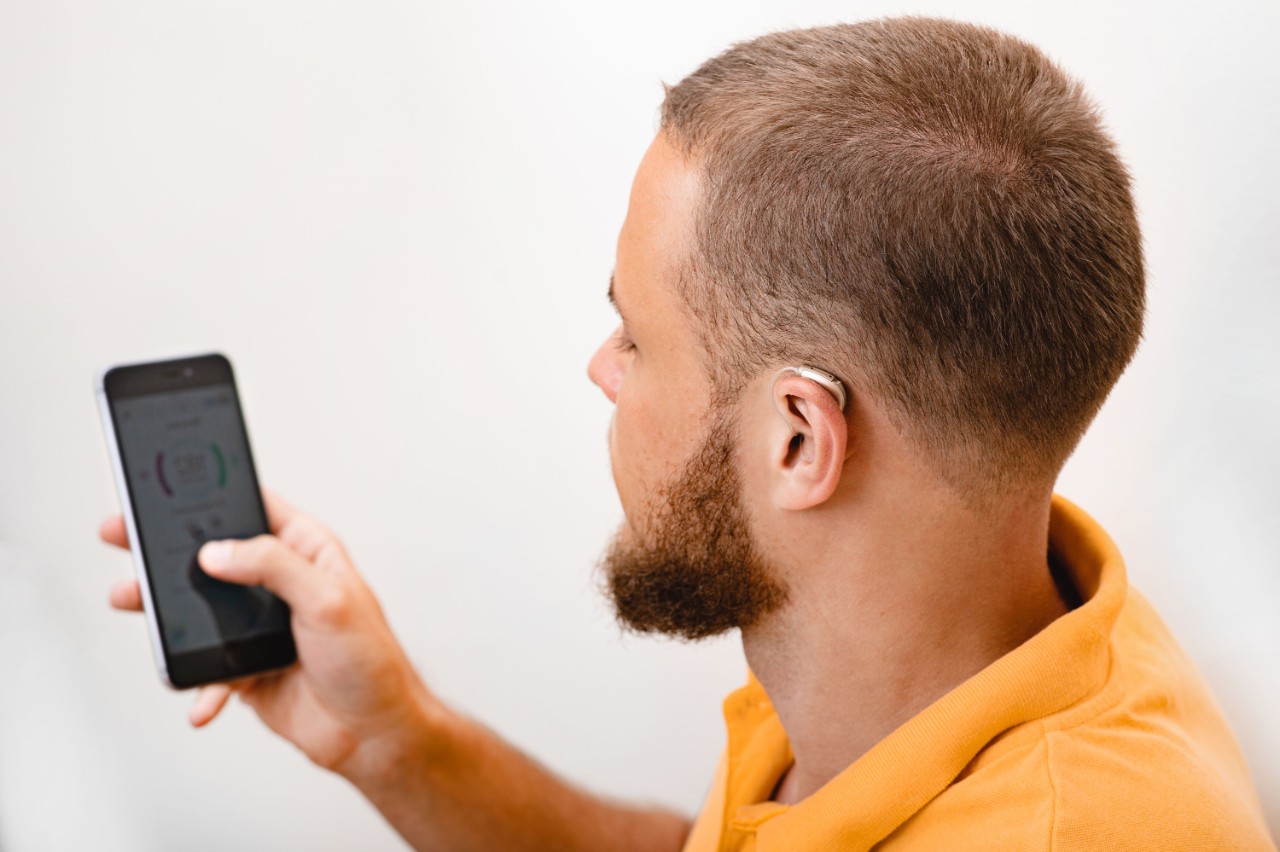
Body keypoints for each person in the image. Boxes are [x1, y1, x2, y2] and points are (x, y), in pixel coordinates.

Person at [98, 17, 1275, 852]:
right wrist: (392, 739)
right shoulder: (943, 631)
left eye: (637, 336)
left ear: (798, 441)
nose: (600, 369)